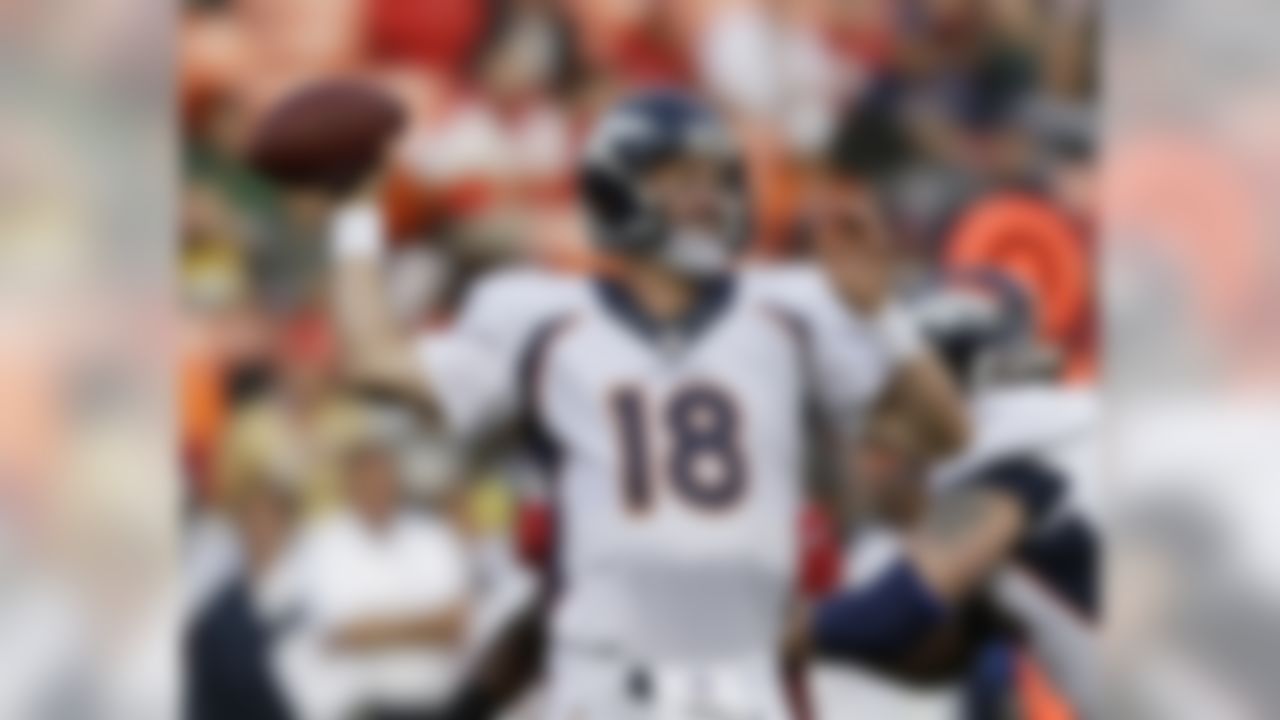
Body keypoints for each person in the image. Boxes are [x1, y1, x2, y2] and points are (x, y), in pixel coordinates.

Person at [326, 88, 969, 720]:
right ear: (618, 184)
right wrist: (355, 217)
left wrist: (884, 315)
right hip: (606, 681)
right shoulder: (541, 316)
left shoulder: (786, 309)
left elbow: (941, 437)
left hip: (747, 681)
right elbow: (376, 363)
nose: (706, 197)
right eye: (679, 179)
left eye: (717, 179)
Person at [806, 275, 1101, 718]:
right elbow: (944, 650)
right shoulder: (1053, 436)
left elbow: (894, 615)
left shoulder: (1004, 453)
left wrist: (757, 635)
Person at [276, 439, 471, 720]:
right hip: (362, 707)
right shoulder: (323, 543)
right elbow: (343, 633)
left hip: (439, 705)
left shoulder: (431, 536)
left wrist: (379, 627)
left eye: (387, 479)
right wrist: (429, 625)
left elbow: (459, 626)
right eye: (369, 480)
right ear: (350, 485)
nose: (380, 489)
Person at [188, 478, 300, 720]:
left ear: (288, 525)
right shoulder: (219, 618)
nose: (259, 530)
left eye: (269, 519)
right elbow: (206, 701)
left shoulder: (319, 596)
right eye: (249, 520)